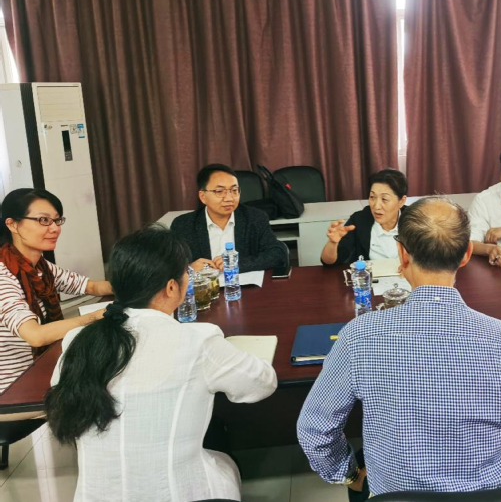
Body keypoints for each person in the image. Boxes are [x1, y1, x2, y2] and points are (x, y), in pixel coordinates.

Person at [299, 197, 501, 499]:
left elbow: (315, 431)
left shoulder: (360, 336)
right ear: (466, 254)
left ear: (402, 254)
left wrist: (351, 474)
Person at [45, 225, 278, 501]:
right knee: (221, 457)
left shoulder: (77, 340)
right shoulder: (197, 340)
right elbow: (262, 384)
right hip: (182, 495)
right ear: (171, 287)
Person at [0, 188, 111, 403]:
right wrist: (94, 317)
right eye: (43, 220)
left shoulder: (41, 267)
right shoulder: (4, 276)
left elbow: (91, 287)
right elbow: (36, 335)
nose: (54, 228)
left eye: (57, 220)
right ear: (12, 224)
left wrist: (138, 283)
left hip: (41, 366)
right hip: (12, 387)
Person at [171, 164, 288, 273]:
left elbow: (277, 253)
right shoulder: (183, 225)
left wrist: (238, 264)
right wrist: (189, 268)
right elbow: (169, 265)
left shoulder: (255, 218)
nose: (229, 198)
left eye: (234, 190)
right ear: (203, 196)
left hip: (245, 285)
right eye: (219, 191)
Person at [320, 169, 408, 265]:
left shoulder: (415, 220)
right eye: (372, 197)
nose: (376, 206)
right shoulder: (359, 220)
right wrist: (332, 243)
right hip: (370, 274)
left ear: (401, 201)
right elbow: (329, 262)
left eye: (384, 199)